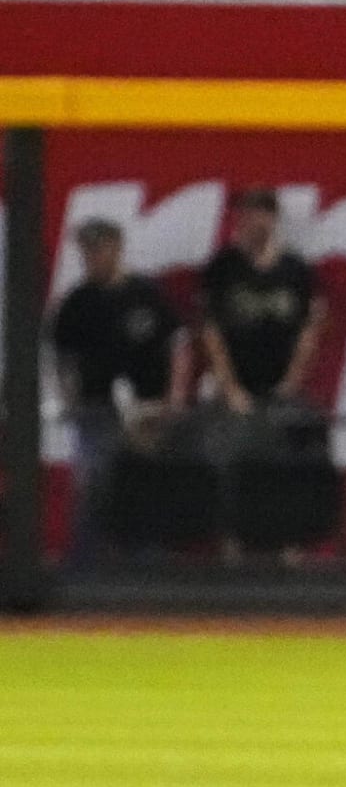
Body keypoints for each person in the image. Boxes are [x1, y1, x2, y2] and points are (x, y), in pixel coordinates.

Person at [50, 218, 191, 571]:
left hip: (147, 410)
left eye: (98, 248)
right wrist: (70, 399)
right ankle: (86, 565)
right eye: (86, 250)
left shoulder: (146, 293)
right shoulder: (76, 303)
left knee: (146, 483)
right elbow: (63, 358)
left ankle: (149, 563)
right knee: (92, 483)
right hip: (97, 411)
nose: (91, 256)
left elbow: (178, 344)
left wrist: (175, 395)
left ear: (116, 247)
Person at [199, 186, 328, 559]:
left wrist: (293, 380)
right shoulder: (223, 267)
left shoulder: (295, 269)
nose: (252, 221)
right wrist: (229, 385)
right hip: (236, 385)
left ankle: (288, 540)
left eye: (259, 213)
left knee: (285, 463)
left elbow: (311, 327)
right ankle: (232, 542)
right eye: (245, 213)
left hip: (282, 385)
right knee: (231, 461)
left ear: (272, 218)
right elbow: (210, 330)